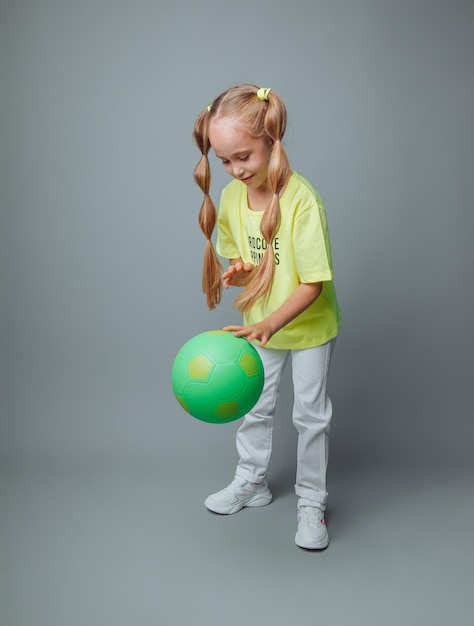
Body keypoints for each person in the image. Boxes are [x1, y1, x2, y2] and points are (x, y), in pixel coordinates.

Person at [192, 84, 341, 550]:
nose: (236, 171)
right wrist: (238, 273)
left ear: (271, 140)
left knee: (310, 415)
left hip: (307, 327)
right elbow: (251, 265)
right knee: (256, 406)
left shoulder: (302, 200)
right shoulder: (235, 199)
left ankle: (311, 501)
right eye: (226, 162)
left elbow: (312, 284)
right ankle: (251, 481)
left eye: (244, 157)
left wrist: (272, 324)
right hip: (261, 322)